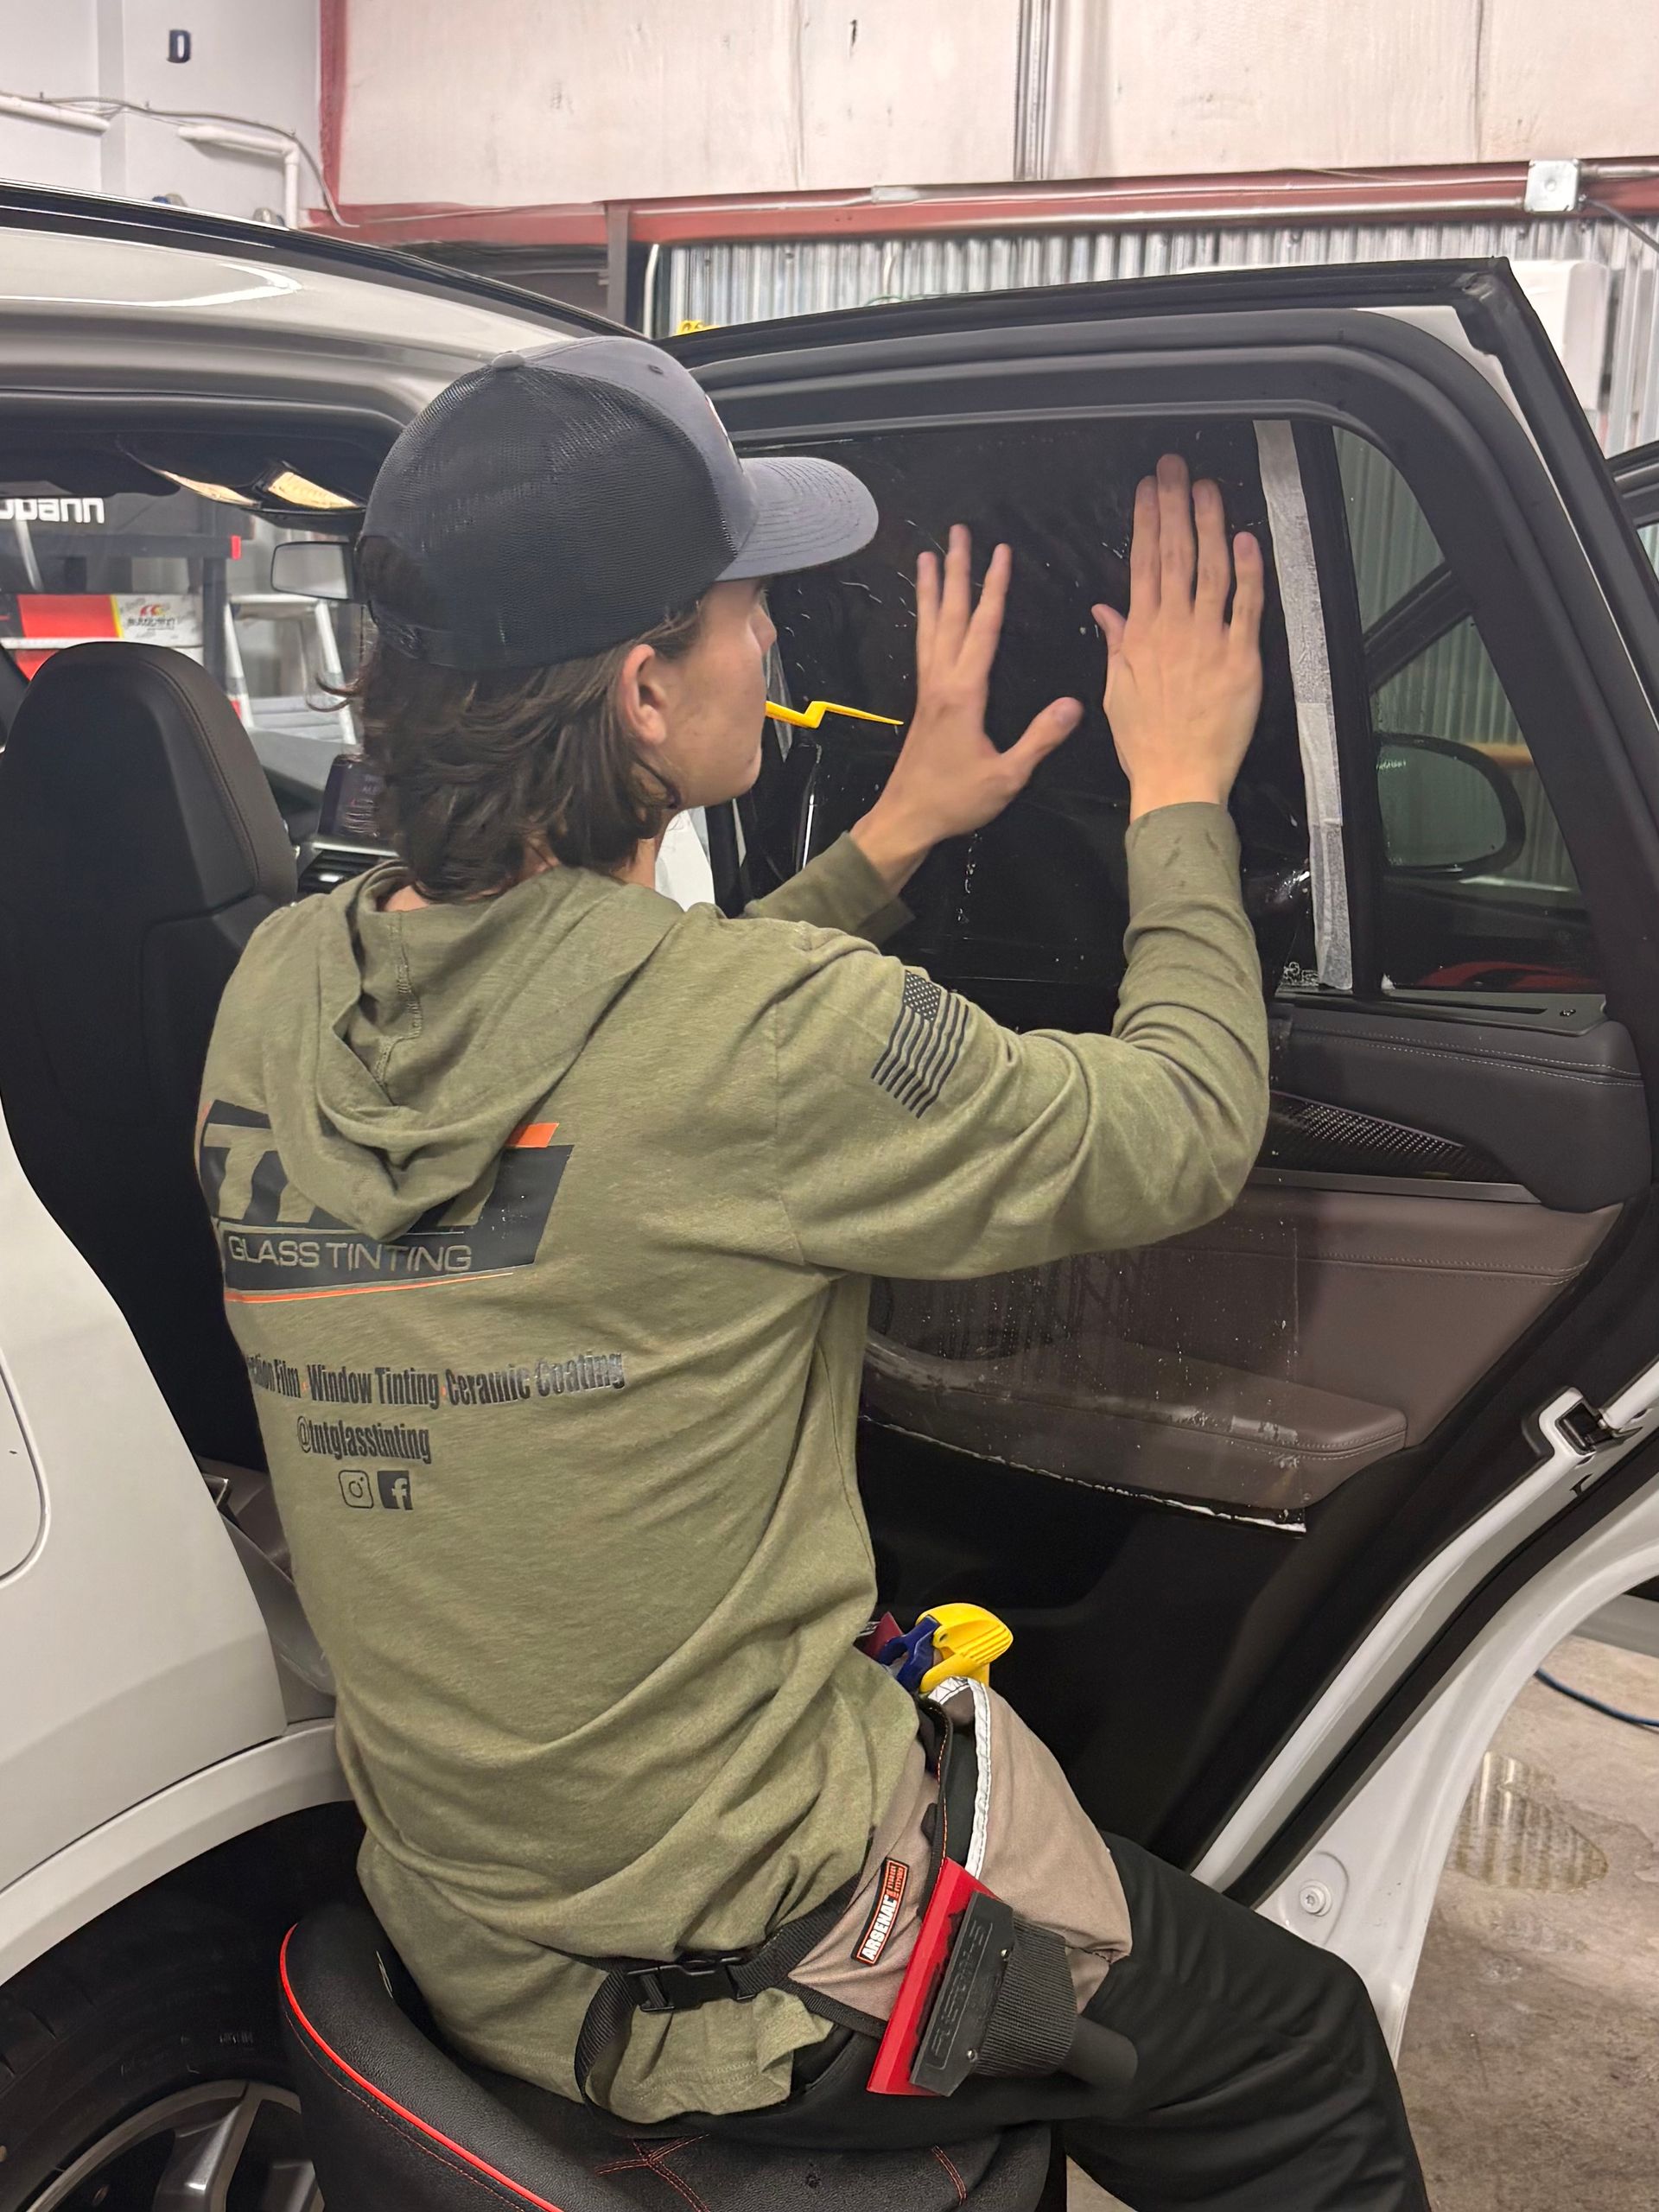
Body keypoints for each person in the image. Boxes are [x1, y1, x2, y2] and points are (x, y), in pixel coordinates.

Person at [200, 336, 1428, 2209]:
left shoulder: (282, 986)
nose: (772, 644)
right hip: (755, 1985)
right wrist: (1181, 784)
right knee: (1304, 2056)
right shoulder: (765, 1041)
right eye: (744, 608)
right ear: (639, 687)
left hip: (458, 1928)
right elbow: (1180, 1119)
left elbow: (621, 1066)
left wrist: (892, 833)